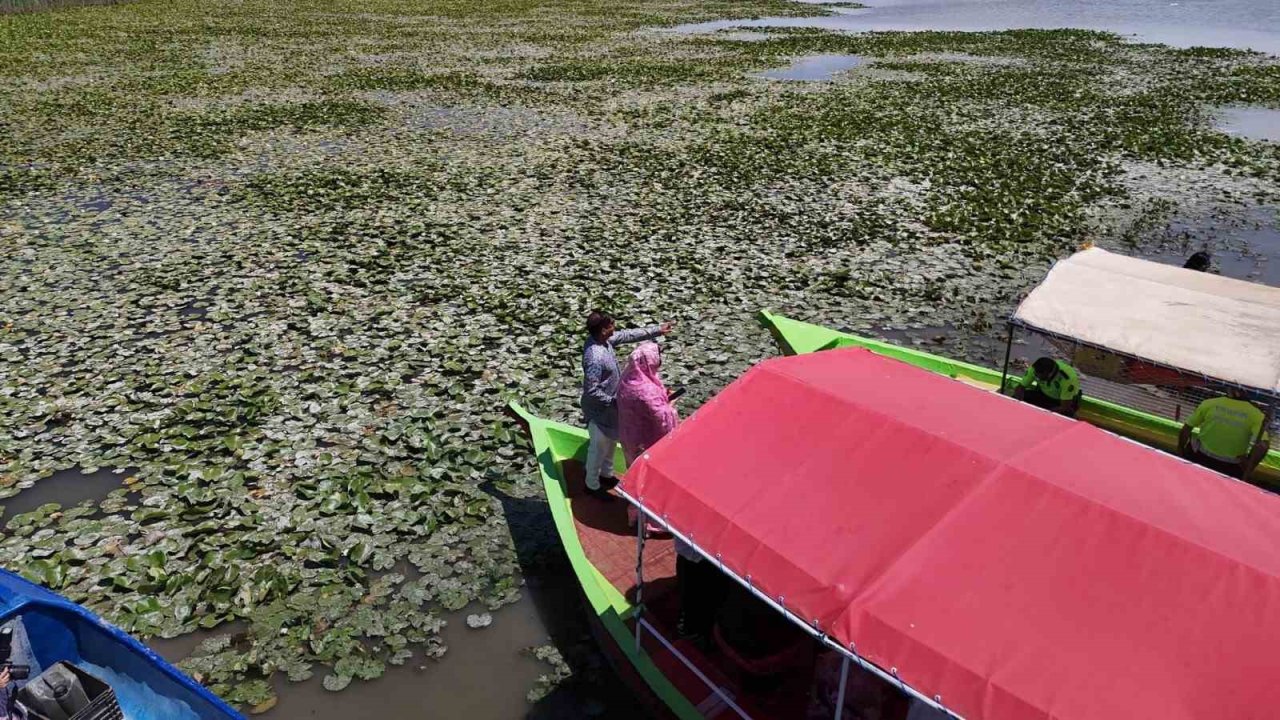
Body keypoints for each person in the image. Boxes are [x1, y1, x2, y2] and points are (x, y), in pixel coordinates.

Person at [580, 311, 673, 497]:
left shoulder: (605, 341)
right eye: (612, 325)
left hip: (614, 410)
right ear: (604, 329)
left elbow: (628, 335)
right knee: (598, 449)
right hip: (600, 412)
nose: (615, 328)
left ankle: (606, 475)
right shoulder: (594, 357)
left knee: (611, 444)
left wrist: (657, 330)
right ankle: (591, 485)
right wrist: (615, 402)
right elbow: (591, 390)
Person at [616, 342, 679, 535]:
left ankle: (635, 513)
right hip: (648, 443)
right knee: (652, 483)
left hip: (629, 438)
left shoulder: (627, 379)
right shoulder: (646, 391)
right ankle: (653, 523)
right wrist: (671, 404)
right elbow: (664, 420)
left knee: (636, 478)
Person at [1178, 388, 1271, 480]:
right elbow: (1263, 446)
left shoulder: (1210, 403)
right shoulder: (1256, 415)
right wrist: (1249, 466)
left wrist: (1181, 449)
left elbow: (1186, 428)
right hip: (1231, 465)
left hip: (1200, 456)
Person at [1012, 357, 1082, 418]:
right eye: (1036, 376)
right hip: (1043, 394)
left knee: (1066, 415)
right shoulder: (1034, 369)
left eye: (1040, 378)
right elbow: (1020, 388)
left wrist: (1043, 414)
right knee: (1015, 397)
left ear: (1050, 374)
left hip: (1062, 402)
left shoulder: (1067, 379)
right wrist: (1019, 402)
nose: (1037, 378)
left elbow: (1064, 407)